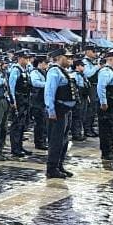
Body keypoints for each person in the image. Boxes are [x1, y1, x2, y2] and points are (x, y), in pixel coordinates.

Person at [44, 51, 77, 179]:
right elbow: (49, 92)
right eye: (67, 57)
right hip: (57, 111)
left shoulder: (63, 71)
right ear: (59, 58)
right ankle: (52, 169)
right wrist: (51, 111)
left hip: (65, 111)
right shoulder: (54, 72)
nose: (70, 59)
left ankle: (59, 165)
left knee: (64, 140)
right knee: (56, 141)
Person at [7, 52, 32, 159]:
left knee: (22, 125)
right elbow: (11, 87)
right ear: (20, 59)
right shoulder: (15, 70)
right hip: (18, 100)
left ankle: (20, 146)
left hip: (25, 100)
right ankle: (15, 148)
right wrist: (13, 102)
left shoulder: (25, 70)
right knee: (16, 125)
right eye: (25, 58)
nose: (27, 60)